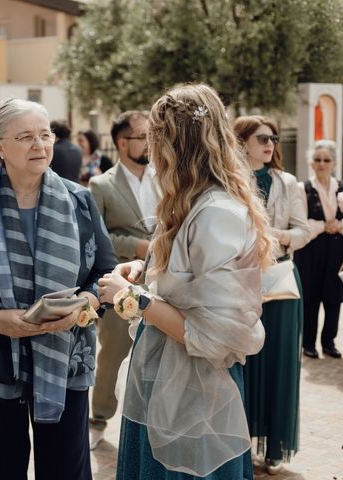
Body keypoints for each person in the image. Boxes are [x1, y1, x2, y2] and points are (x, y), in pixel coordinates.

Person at [100, 83, 275, 479]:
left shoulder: (217, 213)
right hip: (165, 380)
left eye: (155, 138)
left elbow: (214, 337)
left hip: (196, 395)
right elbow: (187, 283)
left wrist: (137, 300)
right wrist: (142, 272)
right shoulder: (187, 201)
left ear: (176, 143)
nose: (150, 149)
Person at [0, 98, 117, 480]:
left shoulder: (79, 200)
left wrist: (81, 306)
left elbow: (104, 274)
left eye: (45, 134)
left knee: (65, 470)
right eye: (25, 137)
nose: (39, 145)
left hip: (67, 355)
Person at [233, 115, 310, 474]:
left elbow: (304, 231)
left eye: (274, 139)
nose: (270, 145)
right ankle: (240, 442)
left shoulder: (289, 182)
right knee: (244, 363)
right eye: (262, 138)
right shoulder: (228, 181)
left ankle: (276, 445)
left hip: (280, 279)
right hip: (238, 279)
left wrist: (272, 233)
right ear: (242, 141)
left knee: (279, 364)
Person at [87, 110, 160, 450]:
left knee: (157, 356)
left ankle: (151, 422)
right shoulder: (100, 184)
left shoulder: (165, 178)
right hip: (121, 283)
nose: (149, 143)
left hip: (161, 283)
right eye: (142, 136)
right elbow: (97, 237)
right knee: (112, 354)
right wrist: (137, 246)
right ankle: (99, 416)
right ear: (121, 142)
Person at [294, 140, 343, 359]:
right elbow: (300, 223)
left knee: (334, 298)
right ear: (311, 163)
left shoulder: (340, 188)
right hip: (311, 251)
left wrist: (337, 225)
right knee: (311, 298)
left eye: (326, 160)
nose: (321, 163)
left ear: (334, 163)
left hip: (336, 251)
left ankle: (329, 342)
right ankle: (308, 344)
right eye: (317, 159)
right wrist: (325, 226)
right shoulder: (302, 188)